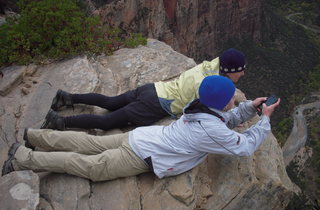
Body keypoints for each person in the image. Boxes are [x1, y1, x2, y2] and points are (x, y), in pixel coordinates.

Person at [2, 75, 280, 181]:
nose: (236, 99)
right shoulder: (211, 128)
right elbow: (244, 146)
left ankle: (34, 136)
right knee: (89, 166)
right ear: (221, 102)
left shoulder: (198, 106)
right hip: (142, 154)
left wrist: (248, 108)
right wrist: (264, 118)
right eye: (233, 97)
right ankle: (24, 159)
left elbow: (222, 119)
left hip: (143, 136)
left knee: (88, 144)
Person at [41, 48, 246, 131]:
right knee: (106, 122)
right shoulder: (209, 86)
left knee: (110, 102)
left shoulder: (209, 66)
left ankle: (66, 98)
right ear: (229, 70)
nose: (243, 75)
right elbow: (203, 113)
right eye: (241, 71)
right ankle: (59, 122)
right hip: (155, 105)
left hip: (152, 89)